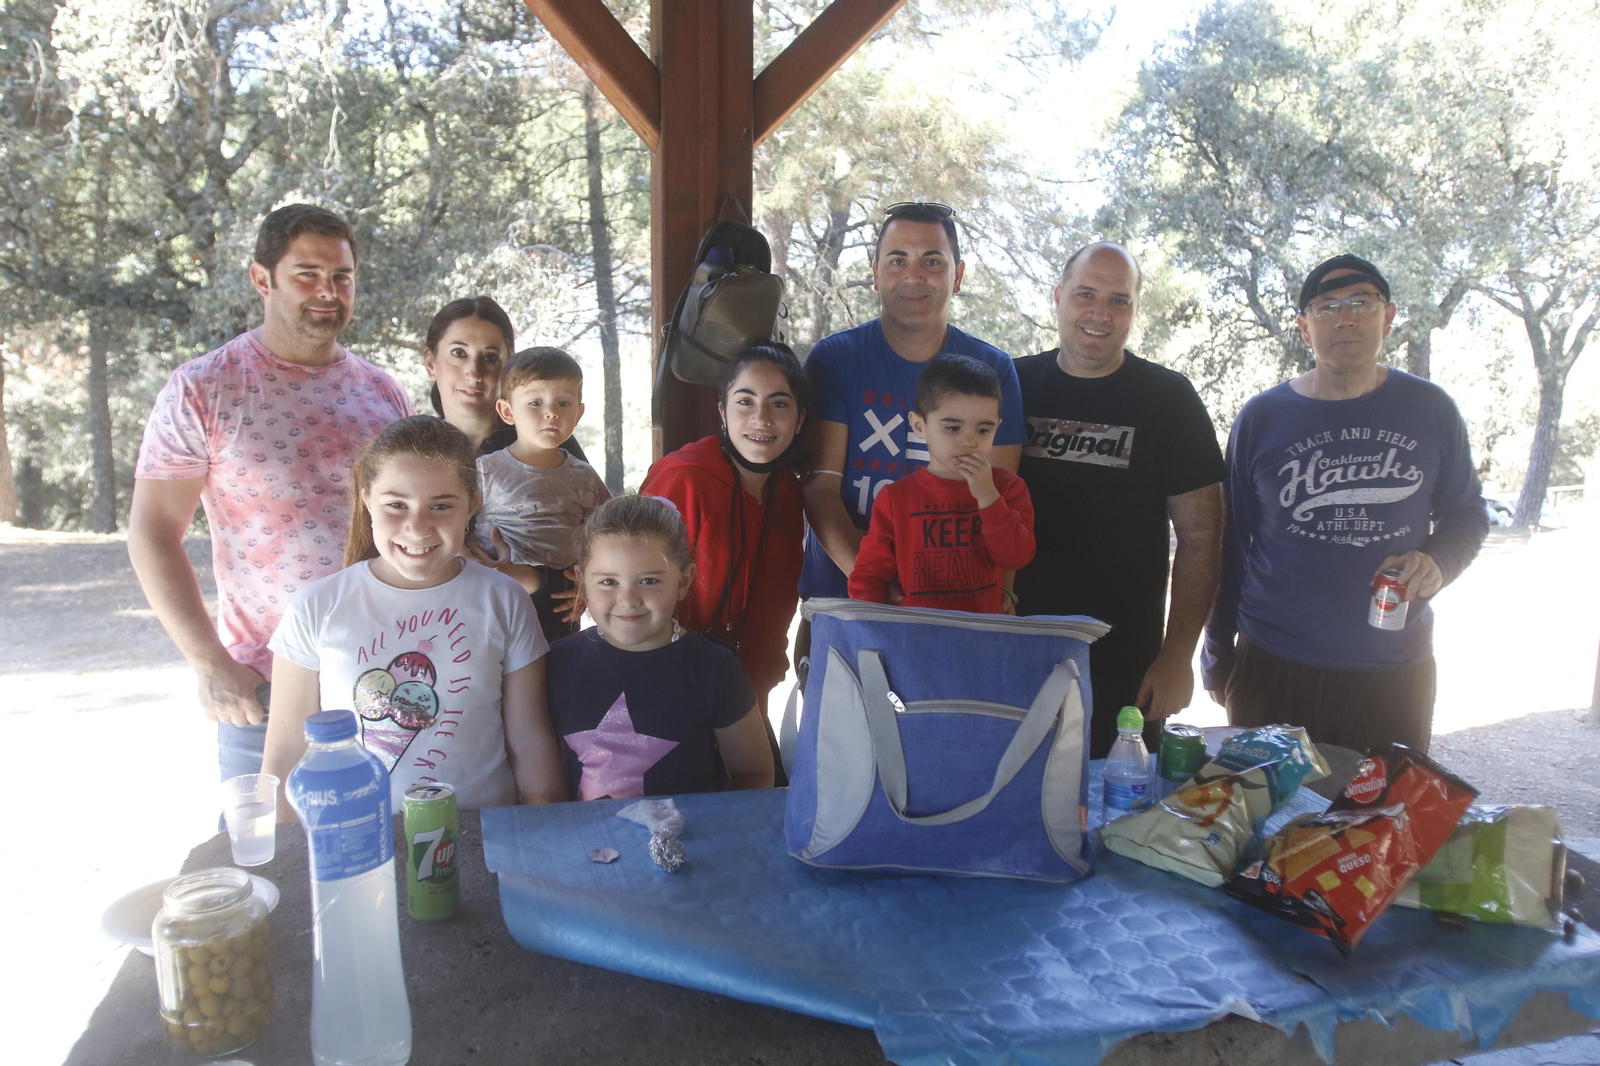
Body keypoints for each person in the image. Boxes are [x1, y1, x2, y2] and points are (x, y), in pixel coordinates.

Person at [129, 204, 415, 786]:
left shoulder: (383, 394)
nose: (328, 291)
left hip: (385, 680)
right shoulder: (205, 389)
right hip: (265, 685)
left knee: (398, 839)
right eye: (307, 274)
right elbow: (153, 532)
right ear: (263, 279)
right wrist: (210, 663)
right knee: (265, 841)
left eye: (341, 276)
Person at [1201, 254, 1489, 754]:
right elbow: (1230, 542)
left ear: (1388, 317)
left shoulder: (1430, 409)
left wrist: (1438, 562)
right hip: (1272, 662)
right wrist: (1217, 651)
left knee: (1379, 806)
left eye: (1361, 302)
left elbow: (1467, 513)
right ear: (1304, 327)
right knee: (1263, 804)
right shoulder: (1262, 417)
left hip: (1394, 671)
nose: (1346, 318)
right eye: (1327, 307)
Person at [260, 416, 567, 816]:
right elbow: (285, 755)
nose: (418, 528)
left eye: (441, 505)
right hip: (359, 837)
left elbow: (529, 742)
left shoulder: (504, 599)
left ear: (472, 505)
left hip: (485, 832)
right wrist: (287, 849)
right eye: (396, 505)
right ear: (367, 500)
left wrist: (547, 828)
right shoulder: (316, 607)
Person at [1013, 242, 1226, 759]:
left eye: (1118, 300)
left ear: (1134, 310)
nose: (1100, 313)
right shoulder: (1010, 383)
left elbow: (1202, 536)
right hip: (1013, 643)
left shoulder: (1169, 399)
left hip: (1124, 659)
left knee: (1118, 798)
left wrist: (1177, 657)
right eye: (1086, 294)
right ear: (1058, 297)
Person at [800, 201, 1027, 610]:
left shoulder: (992, 369)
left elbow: (1003, 497)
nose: (913, 275)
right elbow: (821, 487)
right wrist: (876, 588)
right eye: (897, 260)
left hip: (958, 611)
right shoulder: (835, 359)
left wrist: (1004, 595)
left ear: (958, 276)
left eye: (932, 261)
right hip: (844, 600)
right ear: (875, 274)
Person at [639, 343, 811, 783]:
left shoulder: (789, 493)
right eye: (745, 401)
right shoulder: (683, 478)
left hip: (745, 702)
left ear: (800, 420)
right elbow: (635, 590)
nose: (761, 419)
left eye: (779, 404)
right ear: (722, 412)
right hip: (670, 700)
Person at [545, 495, 776, 800]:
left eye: (649, 580)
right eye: (609, 582)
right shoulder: (553, 664)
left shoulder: (716, 670)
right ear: (582, 581)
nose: (629, 599)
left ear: (683, 581)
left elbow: (754, 773)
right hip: (579, 832)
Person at [850, 355, 1034, 612]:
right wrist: (872, 622)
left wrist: (988, 497)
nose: (969, 441)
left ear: (997, 428)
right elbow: (869, 575)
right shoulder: (896, 497)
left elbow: (1016, 557)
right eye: (953, 428)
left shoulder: (1008, 488)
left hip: (984, 631)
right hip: (913, 631)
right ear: (919, 425)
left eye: (983, 430)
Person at [474, 347, 610, 645]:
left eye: (564, 403)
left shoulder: (584, 477)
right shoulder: (484, 471)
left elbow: (609, 536)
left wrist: (591, 581)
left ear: (578, 413)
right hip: (492, 601)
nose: (552, 412)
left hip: (560, 606)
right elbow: (453, 527)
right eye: (535, 402)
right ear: (507, 412)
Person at [420, 298, 589, 462]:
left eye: (490, 357)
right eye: (458, 353)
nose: (474, 373)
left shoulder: (550, 443)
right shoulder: (414, 447)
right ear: (430, 363)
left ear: (508, 368)